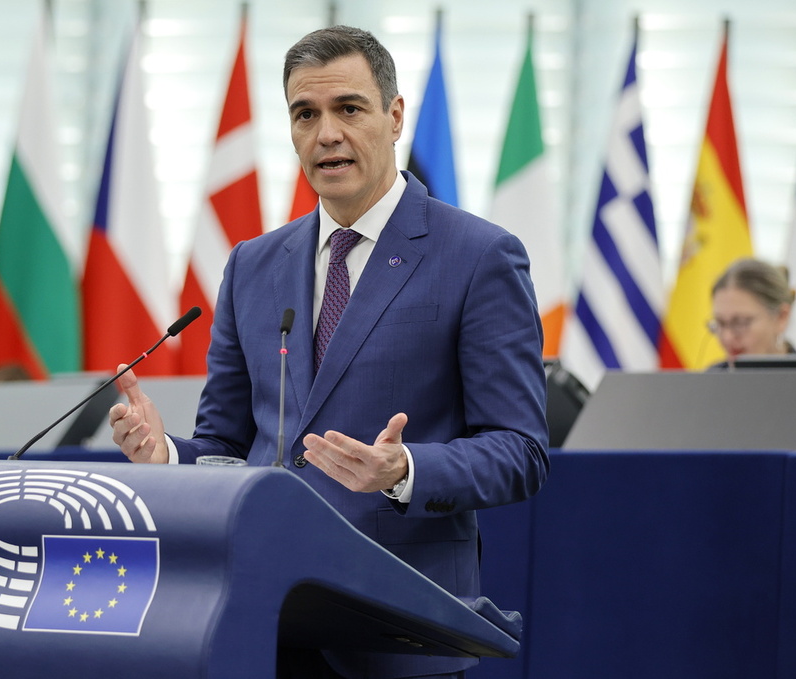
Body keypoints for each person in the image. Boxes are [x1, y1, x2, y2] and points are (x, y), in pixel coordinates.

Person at [109, 25, 549, 679]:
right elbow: (228, 444)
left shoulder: (479, 257)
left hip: (398, 633)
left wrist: (403, 469)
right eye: (305, 114)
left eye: (349, 108)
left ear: (394, 116)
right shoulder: (252, 266)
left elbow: (520, 451)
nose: (327, 134)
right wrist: (166, 454)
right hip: (263, 624)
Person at [708, 257, 796, 363]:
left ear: (781, 317)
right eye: (720, 323)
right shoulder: (708, 378)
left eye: (740, 323)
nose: (727, 337)